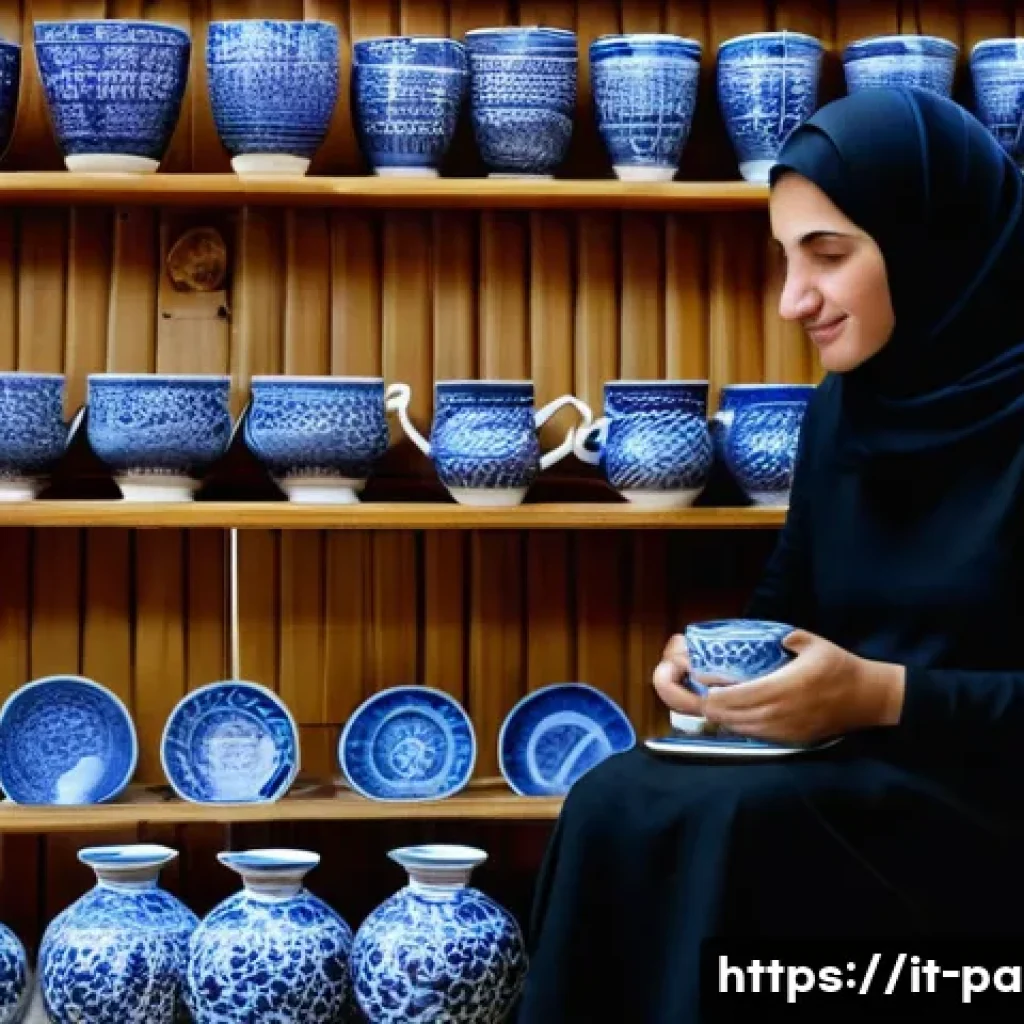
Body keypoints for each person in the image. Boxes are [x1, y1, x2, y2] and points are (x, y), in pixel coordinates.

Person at [515, 85, 1024, 1023]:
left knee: (735, 826)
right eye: (785, 258)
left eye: (828, 255)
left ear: (933, 240)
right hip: (855, 774)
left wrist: (880, 694)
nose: (794, 299)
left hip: (991, 806)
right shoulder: (851, 401)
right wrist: (715, 666)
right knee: (617, 796)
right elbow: (792, 595)